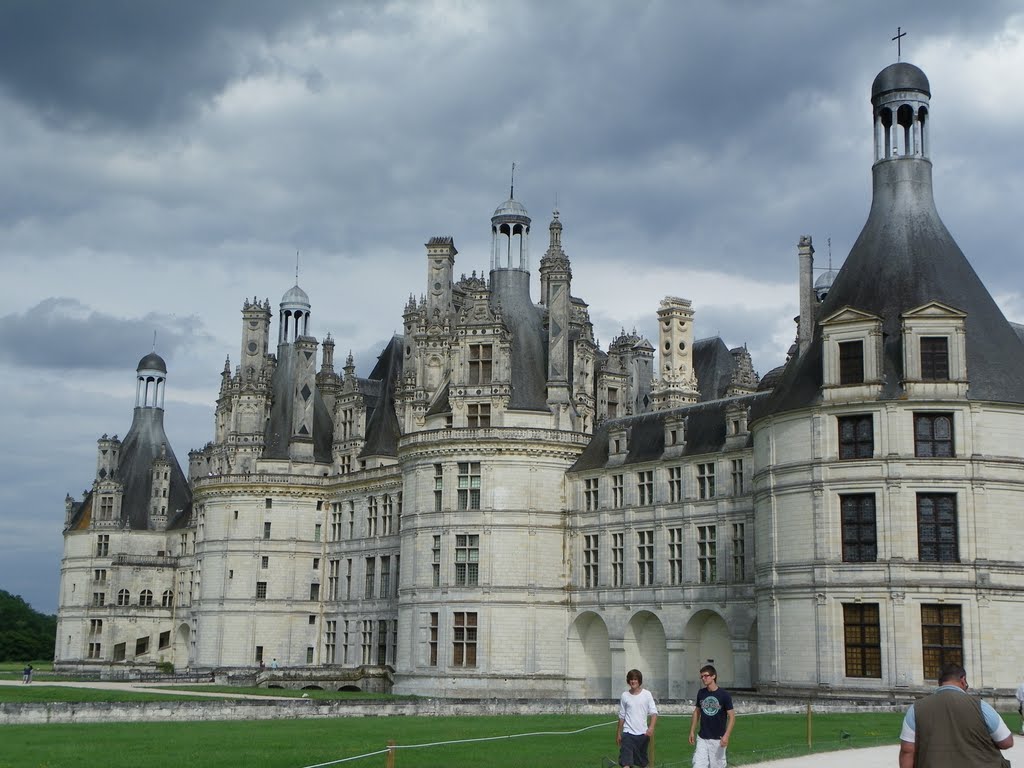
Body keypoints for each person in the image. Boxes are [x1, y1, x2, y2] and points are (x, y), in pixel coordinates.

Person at [898, 662, 1013, 768]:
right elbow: (1006, 742)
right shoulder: (981, 706)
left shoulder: (916, 708)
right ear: (963, 680)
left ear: (939, 683)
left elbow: (907, 751)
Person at [689, 664, 735, 768]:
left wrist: (726, 736)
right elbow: (697, 711)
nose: (703, 678)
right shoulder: (701, 693)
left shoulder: (724, 695)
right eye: (702, 677)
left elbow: (732, 717)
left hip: (718, 739)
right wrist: (692, 730)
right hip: (702, 738)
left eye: (706, 676)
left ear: (713, 676)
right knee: (698, 765)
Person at [616, 668, 658, 768]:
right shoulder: (624, 696)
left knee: (642, 763)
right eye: (631, 679)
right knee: (626, 762)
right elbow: (622, 716)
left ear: (639, 680)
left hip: (642, 734)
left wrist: (651, 728)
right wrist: (618, 733)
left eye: (635, 679)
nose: (633, 681)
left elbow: (654, 713)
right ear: (628, 681)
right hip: (627, 733)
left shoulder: (647, 694)